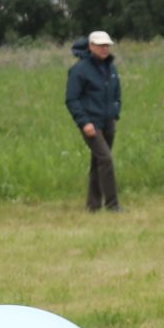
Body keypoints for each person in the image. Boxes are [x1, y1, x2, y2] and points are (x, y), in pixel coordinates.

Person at [65, 29, 122, 211]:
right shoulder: (79, 70)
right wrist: (84, 122)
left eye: (107, 45)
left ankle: (93, 205)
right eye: (100, 45)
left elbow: (116, 94)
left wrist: (115, 113)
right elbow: (71, 99)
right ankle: (112, 205)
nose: (105, 49)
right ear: (91, 46)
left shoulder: (111, 68)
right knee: (106, 159)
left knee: (98, 161)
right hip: (91, 123)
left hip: (108, 122)